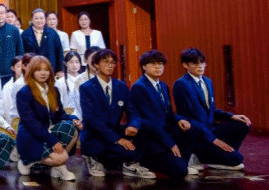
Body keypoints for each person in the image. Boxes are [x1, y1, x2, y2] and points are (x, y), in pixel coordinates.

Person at [79, 49, 155, 178]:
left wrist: (133, 125)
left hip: (114, 131)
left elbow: (133, 111)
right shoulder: (86, 88)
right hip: (95, 135)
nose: (110, 65)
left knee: (144, 129)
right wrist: (117, 139)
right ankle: (93, 158)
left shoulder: (121, 86)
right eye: (105, 62)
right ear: (96, 64)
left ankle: (128, 164)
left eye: (113, 62)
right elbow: (92, 119)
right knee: (105, 149)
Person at [173, 47, 251, 171]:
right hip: (197, 135)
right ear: (185, 65)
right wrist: (213, 139)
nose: (200, 66)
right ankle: (201, 155)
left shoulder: (207, 81)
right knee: (238, 159)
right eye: (195, 63)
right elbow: (187, 117)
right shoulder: (181, 84)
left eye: (202, 63)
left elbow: (211, 110)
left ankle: (222, 156)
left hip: (211, 129)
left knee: (243, 124)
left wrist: (232, 116)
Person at [130, 50, 202, 178]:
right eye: (153, 64)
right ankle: (145, 161)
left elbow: (168, 113)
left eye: (160, 64)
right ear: (144, 67)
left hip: (165, 131)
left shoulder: (163, 86)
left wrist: (179, 119)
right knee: (180, 172)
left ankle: (182, 161)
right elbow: (149, 121)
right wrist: (170, 143)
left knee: (193, 127)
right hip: (151, 136)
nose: (158, 67)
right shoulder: (139, 87)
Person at [15, 56, 81, 181]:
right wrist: (52, 141)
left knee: (72, 128)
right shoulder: (24, 93)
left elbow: (60, 114)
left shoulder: (54, 90)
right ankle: (27, 161)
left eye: (46, 69)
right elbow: (31, 123)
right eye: (38, 69)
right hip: (31, 136)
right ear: (32, 71)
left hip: (49, 131)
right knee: (62, 157)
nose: (43, 73)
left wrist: (74, 119)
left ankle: (57, 166)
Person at [20, 9, 65, 75]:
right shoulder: (25, 34)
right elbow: (22, 53)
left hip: (50, 69)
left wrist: (60, 70)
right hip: (31, 70)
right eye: (36, 18)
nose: (39, 20)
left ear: (45, 19)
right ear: (32, 20)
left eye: (41, 18)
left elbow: (59, 52)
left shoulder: (52, 33)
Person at [55, 52, 83, 119]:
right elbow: (59, 104)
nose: (74, 65)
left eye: (77, 62)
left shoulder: (85, 80)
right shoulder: (60, 82)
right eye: (71, 62)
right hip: (68, 117)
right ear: (65, 64)